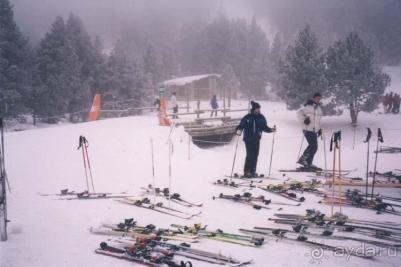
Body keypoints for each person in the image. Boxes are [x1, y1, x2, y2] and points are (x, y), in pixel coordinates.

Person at [236, 101, 276, 178]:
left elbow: (264, 127)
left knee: (255, 155)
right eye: (256, 109)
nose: (258, 110)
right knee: (249, 155)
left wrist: (271, 130)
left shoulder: (261, 118)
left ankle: (253, 171)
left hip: (256, 139)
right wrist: (238, 130)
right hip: (248, 139)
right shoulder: (248, 117)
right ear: (253, 109)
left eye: (258, 109)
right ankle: (247, 171)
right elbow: (241, 125)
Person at [297, 92, 323, 170]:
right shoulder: (308, 106)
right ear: (313, 98)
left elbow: (317, 121)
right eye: (317, 98)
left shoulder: (319, 109)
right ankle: (303, 160)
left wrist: (319, 129)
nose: (318, 100)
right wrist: (304, 120)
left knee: (314, 147)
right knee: (313, 146)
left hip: (314, 130)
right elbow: (298, 113)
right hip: (307, 129)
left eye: (319, 98)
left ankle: (309, 162)